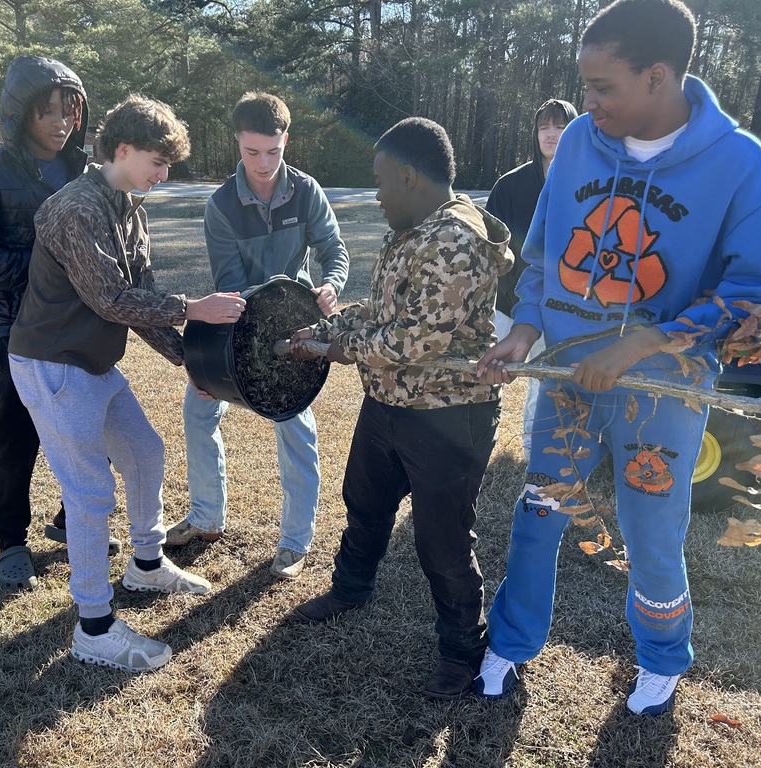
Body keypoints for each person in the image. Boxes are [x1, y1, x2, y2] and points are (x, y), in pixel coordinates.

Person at [474, 0, 761, 716]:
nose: (588, 104)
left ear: (657, 75)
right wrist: (525, 330)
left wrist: (646, 341)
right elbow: (543, 257)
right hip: (567, 371)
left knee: (651, 524)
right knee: (541, 508)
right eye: (585, 87)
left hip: (665, 386)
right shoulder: (584, 147)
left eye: (603, 87)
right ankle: (511, 640)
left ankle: (661, 657)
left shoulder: (740, 163)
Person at [7, 93, 246, 672]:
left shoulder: (128, 205)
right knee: (89, 495)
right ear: (122, 149)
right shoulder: (76, 209)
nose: (164, 176)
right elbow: (112, 299)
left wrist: (192, 365)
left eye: (167, 166)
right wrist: (197, 307)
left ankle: (145, 565)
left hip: (94, 365)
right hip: (54, 367)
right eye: (157, 162)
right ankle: (94, 627)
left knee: (144, 451)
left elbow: (141, 303)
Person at [289, 117, 514, 700]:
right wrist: (328, 325)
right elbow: (387, 310)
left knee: (442, 541)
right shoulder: (416, 228)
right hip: (389, 402)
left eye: (381, 181)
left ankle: (464, 650)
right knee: (364, 501)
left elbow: (412, 342)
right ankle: (351, 587)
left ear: (411, 176)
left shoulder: (455, 242)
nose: (377, 194)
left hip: (447, 415)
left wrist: (336, 348)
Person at [0, 55, 118, 591]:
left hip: (77, 331)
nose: (60, 121)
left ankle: (70, 520)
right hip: (11, 330)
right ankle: (12, 542)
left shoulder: (88, 175)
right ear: (21, 114)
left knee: (88, 430)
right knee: (18, 435)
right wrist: (43, 274)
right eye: (46, 111)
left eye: (68, 109)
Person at [165, 92, 350, 580]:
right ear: (237, 144)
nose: (264, 163)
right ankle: (206, 517)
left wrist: (330, 286)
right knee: (199, 405)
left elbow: (335, 250)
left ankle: (295, 541)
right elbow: (229, 281)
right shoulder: (221, 205)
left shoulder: (306, 190)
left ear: (285, 140)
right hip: (239, 317)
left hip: (296, 324)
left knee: (295, 422)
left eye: (273, 150)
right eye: (252, 152)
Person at [486, 99, 578, 455]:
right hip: (508, 304)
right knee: (490, 373)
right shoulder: (510, 185)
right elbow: (488, 245)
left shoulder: (587, 184)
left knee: (546, 380)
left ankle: (533, 450)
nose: (551, 134)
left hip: (559, 304)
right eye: (544, 127)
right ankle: (476, 437)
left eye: (560, 127)